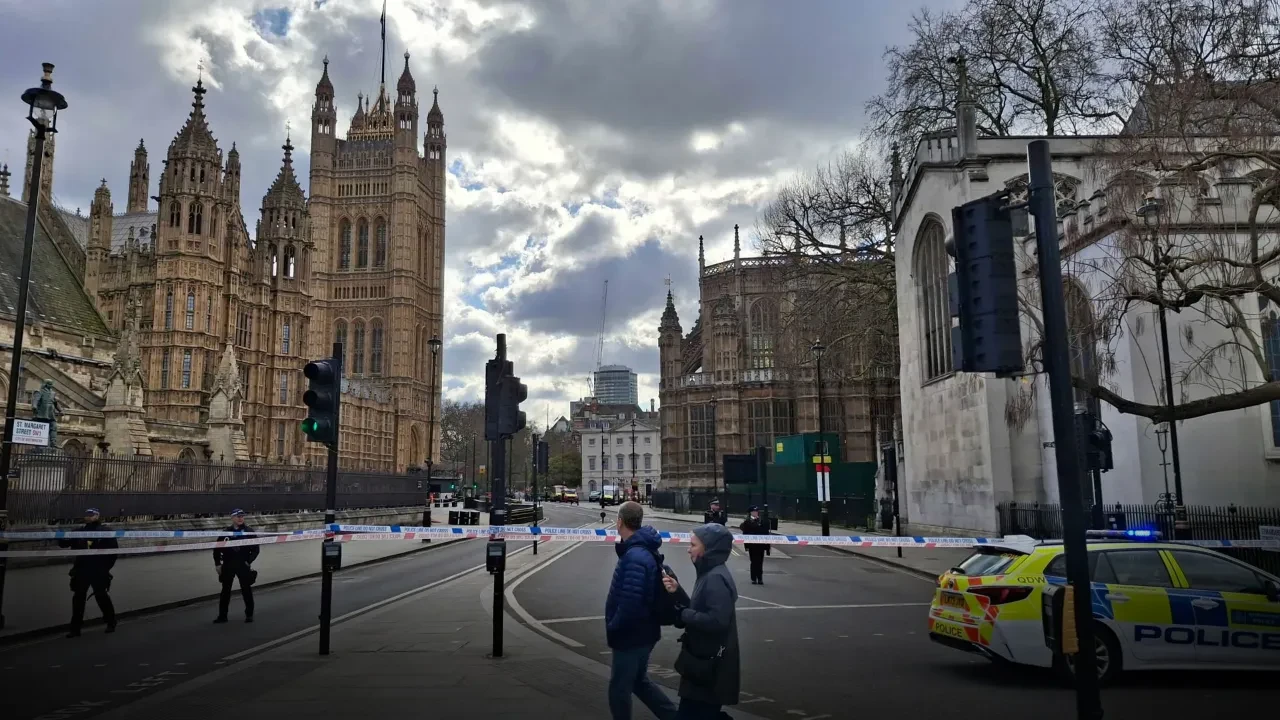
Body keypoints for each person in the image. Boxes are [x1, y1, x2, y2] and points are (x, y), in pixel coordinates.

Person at [605, 501, 678, 720]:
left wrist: (614, 626)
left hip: (632, 634)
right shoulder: (642, 550)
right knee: (639, 682)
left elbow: (630, 601)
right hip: (644, 631)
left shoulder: (635, 556)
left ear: (620, 522)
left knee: (619, 689)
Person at [662, 522, 740, 719]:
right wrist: (677, 591)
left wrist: (683, 614)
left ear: (709, 548)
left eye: (693, 544)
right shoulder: (708, 572)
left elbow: (717, 621)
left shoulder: (715, 577)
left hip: (709, 668)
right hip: (702, 665)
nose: (688, 549)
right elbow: (698, 610)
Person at [60, 508, 118, 638]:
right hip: (82, 569)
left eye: (91, 515)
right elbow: (64, 543)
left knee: (101, 596)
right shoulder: (80, 531)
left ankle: (111, 622)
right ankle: (75, 628)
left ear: (97, 516)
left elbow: (113, 552)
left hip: (98, 569)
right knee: (78, 598)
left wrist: (105, 569)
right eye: (87, 515)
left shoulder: (105, 532)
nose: (88, 517)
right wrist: (59, 536)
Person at [213, 509, 260, 623]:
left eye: (242, 516)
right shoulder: (226, 533)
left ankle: (249, 614)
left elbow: (256, 549)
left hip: (242, 564)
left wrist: (248, 561)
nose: (240, 518)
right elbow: (217, 550)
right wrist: (218, 564)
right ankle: (222, 616)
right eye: (238, 516)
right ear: (232, 518)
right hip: (228, 564)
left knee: (246, 590)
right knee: (225, 591)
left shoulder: (249, 532)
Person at [739, 506, 769, 585]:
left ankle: (760, 578)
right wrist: (746, 546)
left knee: (760, 562)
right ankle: (753, 578)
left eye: (757, 511)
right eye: (754, 511)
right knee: (753, 562)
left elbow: (766, 533)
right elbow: (745, 534)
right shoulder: (747, 522)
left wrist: (767, 547)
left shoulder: (762, 521)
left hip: (761, 545)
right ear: (751, 513)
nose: (756, 513)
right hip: (752, 545)